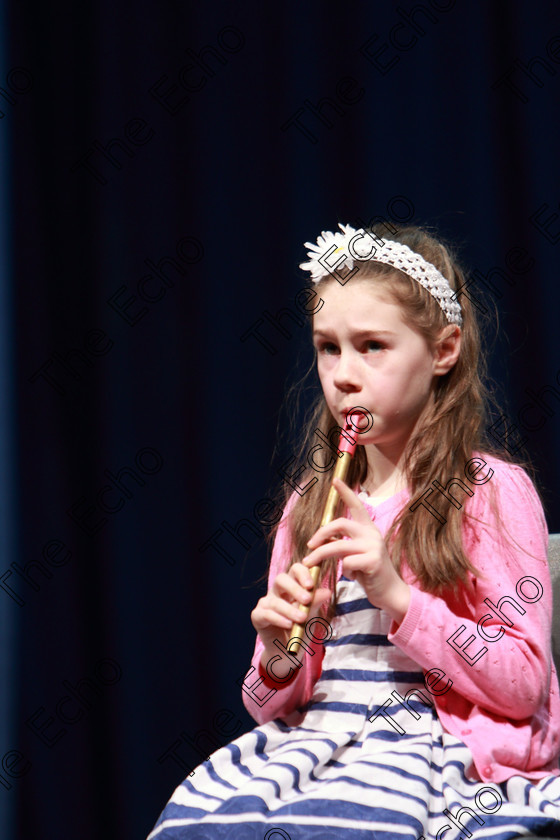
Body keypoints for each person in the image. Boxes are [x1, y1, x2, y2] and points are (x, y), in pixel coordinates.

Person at [148, 222, 560, 839]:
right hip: (318, 748)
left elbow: (523, 685)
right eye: (327, 347)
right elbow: (268, 707)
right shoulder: (309, 505)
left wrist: (399, 596)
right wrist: (280, 655)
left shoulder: (490, 491)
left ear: (443, 350)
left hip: (435, 757)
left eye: (372, 346)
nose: (343, 374)